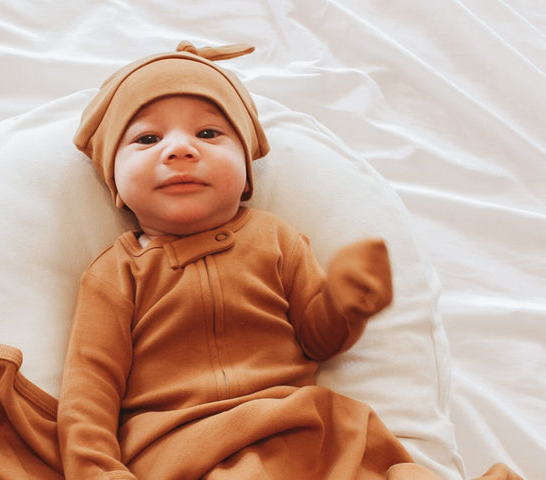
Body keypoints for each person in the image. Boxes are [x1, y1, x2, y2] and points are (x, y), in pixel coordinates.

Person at [57, 41, 441, 480]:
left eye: (208, 134)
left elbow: (318, 341)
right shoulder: (117, 272)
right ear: (117, 188)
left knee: (397, 467)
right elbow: (90, 393)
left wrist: (344, 301)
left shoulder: (275, 239)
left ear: (245, 178)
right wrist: (98, 470)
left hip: (297, 430)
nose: (180, 149)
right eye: (148, 138)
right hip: (185, 445)